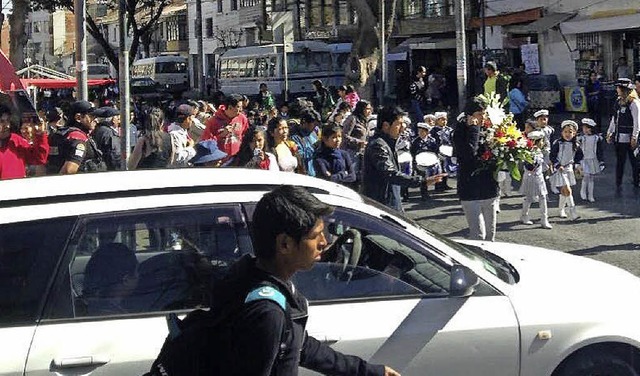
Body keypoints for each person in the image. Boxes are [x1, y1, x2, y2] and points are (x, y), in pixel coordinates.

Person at [206, 185, 400, 375]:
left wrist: (369, 371)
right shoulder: (267, 312)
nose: (324, 242)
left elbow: (301, 345)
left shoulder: (251, 276)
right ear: (285, 244)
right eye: (315, 236)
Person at [362, 105, 444, 211]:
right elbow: (390, 173)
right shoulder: (378, 145)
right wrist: (421, 181)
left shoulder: (387, 142)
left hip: (390, 203)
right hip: (382, 205)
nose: (403, 127)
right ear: (386, 125)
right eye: (399, 124)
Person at [452, 99, 500, 241]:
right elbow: (469, 153)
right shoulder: (460, 131)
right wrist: (474, 129)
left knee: (490, 235)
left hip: (488, 188)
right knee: (478, 235)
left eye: (484, 114)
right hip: (470, 190)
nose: (482, 117)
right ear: (469, 116)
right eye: (479, 114)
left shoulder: (488, 129)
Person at [47, 100, 107, 174]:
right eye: (92, 116)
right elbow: (68, 170)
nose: (96, 121)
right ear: (78, 118)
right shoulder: (77, 137)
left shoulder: (61, 134)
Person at [83, 242, 139, 316]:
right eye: (137, 272)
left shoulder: (86, 306)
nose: (139, 276)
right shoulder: (116, 317)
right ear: (126, 280)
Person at [606, 78, 639, 188]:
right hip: (619, 137)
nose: (617, 89)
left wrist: (634, 137)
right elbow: (614, 118)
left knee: (634, 161)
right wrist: (610, 132)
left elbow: (637, 121)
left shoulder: (634, 103)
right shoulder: (618, 101)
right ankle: (618, 183)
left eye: (618, 88)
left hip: (630, 137)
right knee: (620, 161)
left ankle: (636, 181)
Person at [0, 106, 49, 180]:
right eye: (1, 121)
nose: (7, 125)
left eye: (8, 120)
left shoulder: (17, 141)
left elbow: (40, 158)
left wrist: (40, 135)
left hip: (17, 189)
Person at [550, 120, 583, 220]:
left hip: (569, 169)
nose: (568, 134)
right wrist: (557, 165)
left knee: (565, 192)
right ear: (562, 132)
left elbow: (579, 156)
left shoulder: (576, 145)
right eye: (565, 132)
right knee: (568, 190)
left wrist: (576, 165)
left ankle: (561, 210)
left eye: (570, 132)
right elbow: (552, 156)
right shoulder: (558, 143)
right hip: (560, 169)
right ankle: (573, 213)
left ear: (574, 133)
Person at [519, 130, 552, 229]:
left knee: (542, 197)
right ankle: (524, 215)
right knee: (529, 198)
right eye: (541, 141)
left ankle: (544, 219)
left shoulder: (539, 151)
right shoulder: (528, 152)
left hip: (539, 177)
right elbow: (529, 166)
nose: (543, 143)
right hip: (530, 177)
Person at [202, 94, 249, 159]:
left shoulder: (242, 118)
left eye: (241, 107)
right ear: (230, 107)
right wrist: (221, 135)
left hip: (237, 159)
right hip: (219, 161)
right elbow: (205, 143)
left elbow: (246, 137)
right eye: (238, 107)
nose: (241, 110)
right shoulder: (213, 121)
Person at [313, 123, 357, 187]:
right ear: (325, 139)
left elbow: (353, 177)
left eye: (339, 136)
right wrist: (344, 173)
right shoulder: (319, 158)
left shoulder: (344, 154)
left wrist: (335, 177)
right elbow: (327, 180)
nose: (338, 140)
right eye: (334, 137)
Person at [342, 100, 373, 182]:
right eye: (367, 109)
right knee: (351, 177)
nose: (369, 111)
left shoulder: (364, 120)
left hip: (361, 152)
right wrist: (359, 142)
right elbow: (344, 136)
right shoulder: (352, 119)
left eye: (370, 109)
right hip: (351, 152)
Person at [411, 122, 441, 201]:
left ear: (427, 132)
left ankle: (434, 189)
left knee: (432, 177)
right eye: (419, 131)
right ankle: (424, 194)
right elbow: (412, 151)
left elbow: (436, 150)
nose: (420, 133)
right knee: (423, 179)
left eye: (422, 131)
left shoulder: (432, 140)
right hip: (420, 162)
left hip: (430, 161)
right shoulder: (416, 141)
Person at [578, 118, 603, 202]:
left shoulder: (596, 138)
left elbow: (599, 150)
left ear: (590, 128)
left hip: (593, 159)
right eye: (583, 128)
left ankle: (591, 195)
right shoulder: (582, 138)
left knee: (591, 177)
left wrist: (601, 161)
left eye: (586, 128)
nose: (584, 130)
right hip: (584, 159)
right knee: (586, 175)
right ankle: (583, 191)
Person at [290, 110, 320, 177]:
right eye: (313, 124)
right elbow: (299, 155)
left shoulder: (313, 134)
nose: (315, 127)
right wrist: (314, 147)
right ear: (305, 123)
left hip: (315, 172)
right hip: (303, 174)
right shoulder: (294, 137)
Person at [92, 107, 124, 171]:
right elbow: (114, 154)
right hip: (109, 169)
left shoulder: (97, 129)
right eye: (117, 117)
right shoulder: (109, 132)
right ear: (112, 119)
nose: (119, 120)